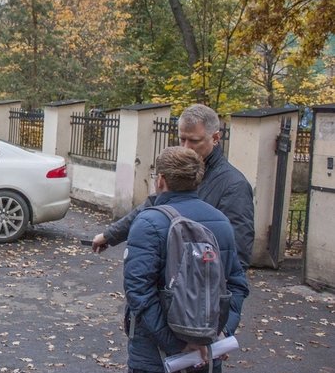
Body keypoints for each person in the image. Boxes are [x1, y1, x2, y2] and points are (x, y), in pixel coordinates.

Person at [123, 146, 248, 373]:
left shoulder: (149, 222)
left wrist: (175, 344)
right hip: (206, 357)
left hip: (156, 360)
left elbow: (138, 293)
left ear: (161, 180)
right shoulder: (220, 222)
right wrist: (220, 334)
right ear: (198, 180)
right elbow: (237, 285)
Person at [92, 103, 255, 268]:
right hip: (173, 281)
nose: (186, 147)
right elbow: (152, 204)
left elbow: (237, 256)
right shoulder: (181, 169)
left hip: (205, 287)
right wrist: (109, 235)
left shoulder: (234, 186)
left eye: (194, 141)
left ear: (215, 138)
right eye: (182, 139)